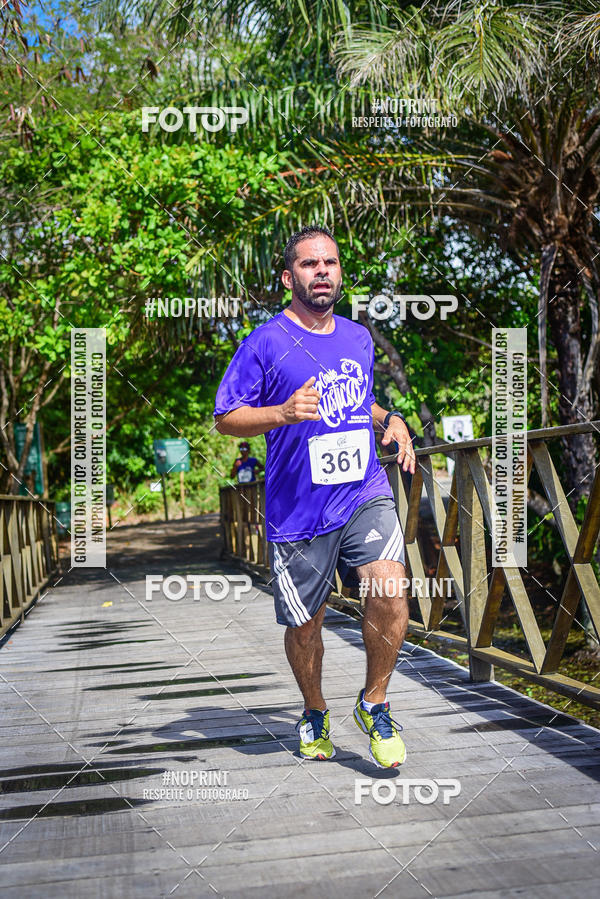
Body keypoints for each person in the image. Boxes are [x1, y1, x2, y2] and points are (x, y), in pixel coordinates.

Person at [214, 225, 416, 768]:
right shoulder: (264, 343)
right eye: (309, 264)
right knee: (305, 628)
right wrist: (280, 413)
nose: (321, 271)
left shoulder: (357, 338)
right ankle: (314, 709)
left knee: (392, 589)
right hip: (298, 510)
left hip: (362, 492)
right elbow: (226, 418)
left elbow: (359, 400)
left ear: (339, 273)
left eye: (329, 262)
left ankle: (374, 702)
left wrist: (390, 419)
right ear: (289, 276)